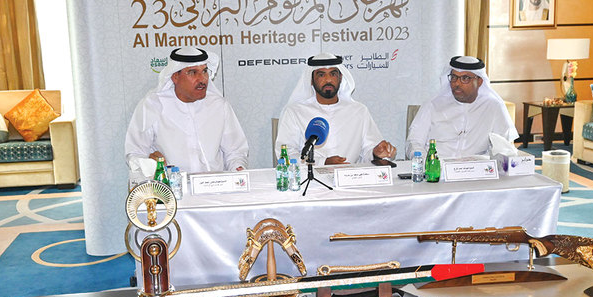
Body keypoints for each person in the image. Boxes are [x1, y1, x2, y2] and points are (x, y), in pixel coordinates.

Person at [125, 47, 248, 175]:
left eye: (204, 71)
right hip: (172, 185)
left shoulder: (219, 105)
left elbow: (235, 152)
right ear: (175, 77)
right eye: (192, 72)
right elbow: (135, 153)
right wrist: (150, 163)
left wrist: (238, 168)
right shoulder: (152, 105)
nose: (202, 79)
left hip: (215, 184)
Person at [275, 52, 396, 165]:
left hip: (350, 176)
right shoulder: (295, 112)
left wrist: (376, 153)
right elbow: (286, 154)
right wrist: (323, 162)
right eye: (321, 75)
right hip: (310, 177)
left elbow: (368, 151)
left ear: (340, 78)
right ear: (311, 80)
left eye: (333, 74)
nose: (328, 80)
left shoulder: (359, 111)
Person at [405, 56, 518, 159]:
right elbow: (414, 142)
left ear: (479, 81)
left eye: (465, 78)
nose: (457, 83)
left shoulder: (493, 107)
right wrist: (425, 162)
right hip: (436, 168)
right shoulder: (433, 105)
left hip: (476, 169)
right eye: (454, 77)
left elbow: (503, 147)